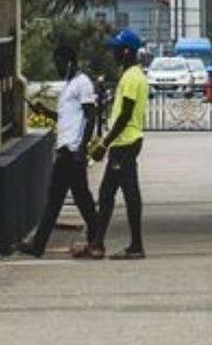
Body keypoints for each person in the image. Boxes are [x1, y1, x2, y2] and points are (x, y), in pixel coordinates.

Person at [24, 41, 101, 258]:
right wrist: (45, 112)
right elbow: (67, 118)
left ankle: (38, 245)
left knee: (56, 198)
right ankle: (96, 240)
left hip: (72, 151)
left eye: (59, 63)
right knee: (81, 199)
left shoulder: (82, 83)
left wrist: (81, 149)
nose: (57, 67)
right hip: (67, 149)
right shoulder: (69, 85)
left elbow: (90, 116)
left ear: (70, 62)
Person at [87, 27, 149, 260]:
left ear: (126, 51)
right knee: (107, 193)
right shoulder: (132, 75)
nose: (112, 53)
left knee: (127, 193)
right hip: (126, 143)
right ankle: (97, 243)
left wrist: (105, 142)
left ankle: (134, 246)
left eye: (115, 49)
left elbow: (125, 114)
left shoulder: (132, 77)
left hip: (125, 142)